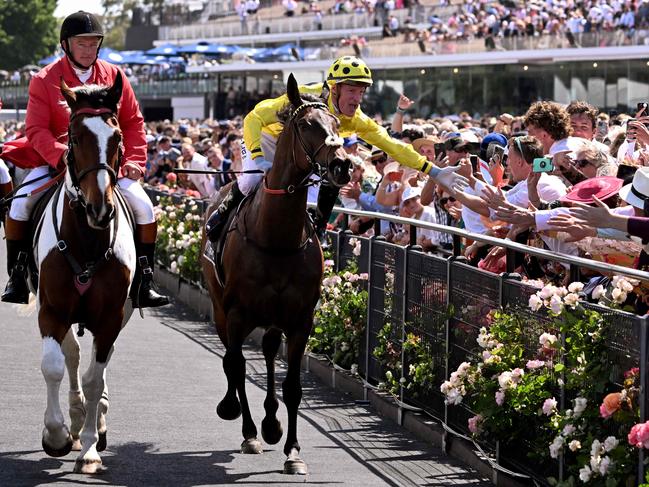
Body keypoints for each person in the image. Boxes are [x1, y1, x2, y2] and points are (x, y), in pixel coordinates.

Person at [1, 11, 168, 308]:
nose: (89, 50)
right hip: (56, 159)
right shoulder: (45, 79)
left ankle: (144, 280)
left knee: (144, 207)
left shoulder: (115, 77)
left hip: (104, 164)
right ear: (66, 44)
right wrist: (60, 157)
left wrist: (135, 161)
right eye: (82, 44)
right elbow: (36, 129)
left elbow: (132, 123)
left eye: (93, 44)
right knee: (20, 203)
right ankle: (16, 275)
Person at [205, 56, 467, 243]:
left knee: (335, 171)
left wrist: (433, 170)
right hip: (264, 140)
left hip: (304, 151)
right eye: (352, 90)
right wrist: (259, 158)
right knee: (252, 179)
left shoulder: (356, 119)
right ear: (334, 88)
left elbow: (393, 145)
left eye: (361, 92)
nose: (357, 98)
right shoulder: (304, 98)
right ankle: (223, 212)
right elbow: (253, 118)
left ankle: (318, 230)